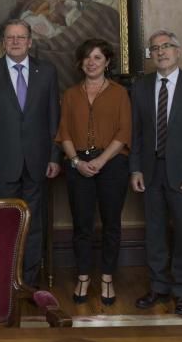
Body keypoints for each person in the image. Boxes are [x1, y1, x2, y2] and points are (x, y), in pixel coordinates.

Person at [129, 30, 182, 316]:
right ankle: (158, 286)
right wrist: (136, 168)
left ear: (178, 51)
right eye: (155, 48)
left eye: (166, 47)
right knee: (154, 232)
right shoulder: (140, 87)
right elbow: (136, 133)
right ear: (150, 55)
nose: (161, 52)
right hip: (151, 171)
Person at [0, 19, 60, 287]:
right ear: (3, 42)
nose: (15, 42)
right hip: (1, 165)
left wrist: (54, 157)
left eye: (20, 37)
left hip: (37, 163)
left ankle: (29, 283)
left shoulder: (46, 72)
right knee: (3, 225)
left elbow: (54, 119)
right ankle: (4, 281)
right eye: (10, 37)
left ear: (30, 42)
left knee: (33, 225)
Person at [56, 38, 131, 306]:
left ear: (107, 62)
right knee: (82, 226)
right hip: (78, 165)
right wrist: (76, 161)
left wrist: (101, 161)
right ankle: (84, 276)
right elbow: (63, 132)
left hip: (112, 164)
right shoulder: (70, 94)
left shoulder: (120, 93)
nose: (92, 62)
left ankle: (108, 278)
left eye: (98, 57)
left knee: (111, 224)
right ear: (80, 63)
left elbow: (124, 132)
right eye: (87, 57)